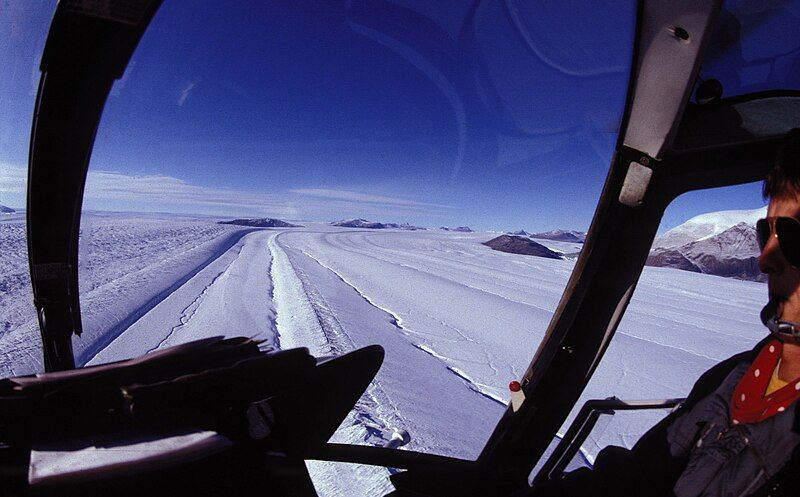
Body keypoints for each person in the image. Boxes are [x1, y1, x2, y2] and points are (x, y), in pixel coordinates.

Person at [522, 132, 800, 497]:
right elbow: (636, 477)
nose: (765, 259)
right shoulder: (733, 374)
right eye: (766, 232)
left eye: (794, 236)